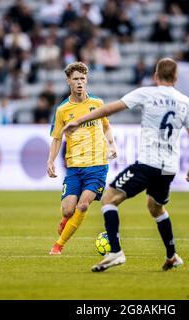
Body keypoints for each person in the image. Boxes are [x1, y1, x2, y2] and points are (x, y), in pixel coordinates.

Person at [62, 58, 189, 272]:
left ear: (155, 76)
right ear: (175, 78)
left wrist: (79, 120)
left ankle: (115, 252)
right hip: (169, 168)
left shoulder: (147, 93)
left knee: (108, 199)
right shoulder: (185, 102)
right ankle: (172, 256)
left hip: (148, 163)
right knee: (155, 207)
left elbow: (109, 109)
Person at [47, 62, 117, 255]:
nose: (79, 82)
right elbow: (56, 138)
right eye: (76, 79)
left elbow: (106, 126)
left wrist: (112, 144)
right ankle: (65, 219)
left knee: (83, 205)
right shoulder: (62, 110)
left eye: (82, 79)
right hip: (75, 167)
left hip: (97, 165)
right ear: (69, 81)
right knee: (68, 210)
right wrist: (50, 161)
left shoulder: (97, 104)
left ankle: (58, 245)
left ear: (86, 80)